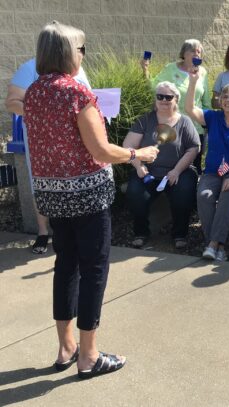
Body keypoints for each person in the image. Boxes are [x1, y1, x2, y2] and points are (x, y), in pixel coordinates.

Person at [23, 21, 158, 379]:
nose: (83, 55)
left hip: (51, 193)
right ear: (69, 53)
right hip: (86, 193)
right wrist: (137, 154)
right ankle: (88, 355)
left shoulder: (33, 92)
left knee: (66, 265)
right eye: (81, 49)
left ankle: (66, 346)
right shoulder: (76, 93)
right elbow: (99, 149)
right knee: (94, 268)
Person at [5, 57, 91, 254]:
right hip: (43, 138)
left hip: (74, 138)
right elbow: (11, 103)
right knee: (42, 182)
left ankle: (71, 233)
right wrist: (44, 112)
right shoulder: (29, 68)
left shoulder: (76, 67)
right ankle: (43, 232)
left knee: (72, 182)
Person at [123, 81, 200, 249]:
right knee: (135, 193)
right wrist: (138, 166)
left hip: (178, 171)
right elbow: (128, 147)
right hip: (147, 171)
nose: (164, 100)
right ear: (155, 99)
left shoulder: (184, 122)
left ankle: (180, 234)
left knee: (184, 193)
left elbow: (194, 148)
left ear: (176, 99)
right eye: (160, 96)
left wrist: (177, 171)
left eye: (168, 97)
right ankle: (141, 232)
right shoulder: (145, 120)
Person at [186, 73, 229, 261]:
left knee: (227, 195)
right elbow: (189, 108)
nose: (228, 100)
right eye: (225, 96)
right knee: (204, 196)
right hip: (214, 173)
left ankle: (213, 244)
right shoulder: (213, 118)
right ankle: (217, 244)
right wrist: (193, 82)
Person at [141, 39, 210, 165]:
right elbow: (154, 88)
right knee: (173, 162)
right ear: (184, 53)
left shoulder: (203, 72)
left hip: (196, 127)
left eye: (199, 52)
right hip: (173, 126)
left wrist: (207, 124)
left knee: (194, 164)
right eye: (193, 51)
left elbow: (206, 103)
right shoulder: (171, 69)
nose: (197, 54)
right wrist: (145, 70)